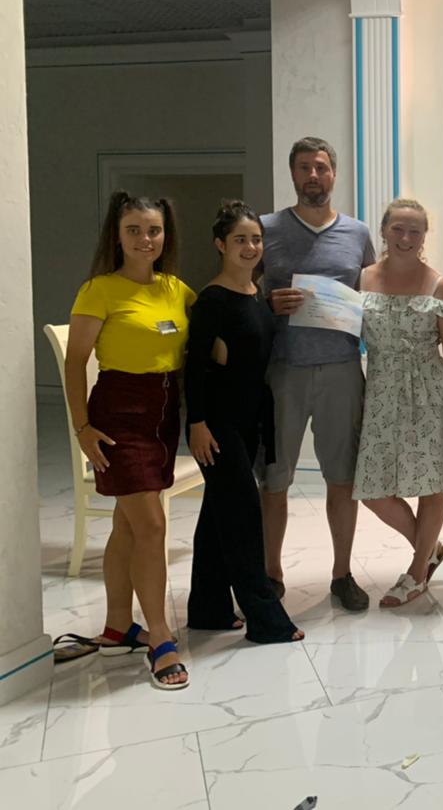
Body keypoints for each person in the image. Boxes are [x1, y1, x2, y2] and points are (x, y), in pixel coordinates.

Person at [65, 191, 194, 689]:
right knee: (152, 525)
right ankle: (160, 637)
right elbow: (76, 362)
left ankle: (118, 626)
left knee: (127, 525)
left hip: (164, 413)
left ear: (165, 236)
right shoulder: (99, 290)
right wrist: (82, 427)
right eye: (134, 230)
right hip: (118, 414)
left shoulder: (175, 289)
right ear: (117, 236)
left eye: (154, 230)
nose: (145, 239)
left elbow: (213, 322)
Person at [258, 137, 376, 612]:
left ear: (334, 174)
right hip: (281, 371)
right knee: (274, 479)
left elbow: (375, 293)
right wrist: (267, 302)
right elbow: (240, 291)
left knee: (342, 478)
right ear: (292, 173)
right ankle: (271, 574)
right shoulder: (265, 229)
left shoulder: (358, 233)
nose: (313, 175)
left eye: (321, 167)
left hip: (342, 370)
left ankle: (342, 574)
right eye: (304, 167)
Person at [185, 201, 303, 644]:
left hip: (248, 419)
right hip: (216, 425)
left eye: (256, 239)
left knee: (217, 515)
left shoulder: (254, 293)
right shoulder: (212, 300)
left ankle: (208, 608)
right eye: (240, 239)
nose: (250, 247)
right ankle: (267, 620)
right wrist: (197, 422)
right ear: (220, 244)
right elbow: (195, 367)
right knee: (243, 518)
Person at [352, 198, 443, 607]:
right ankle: (430, 549)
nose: (405, 237)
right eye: (398, 228)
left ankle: (417, 572)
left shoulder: (440, 285)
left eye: (414, 231)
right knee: (372, 490)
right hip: (381, 392)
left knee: (430, 485)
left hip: (430, 394)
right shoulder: (362, 279)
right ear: (383, 230)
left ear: (424, 236)